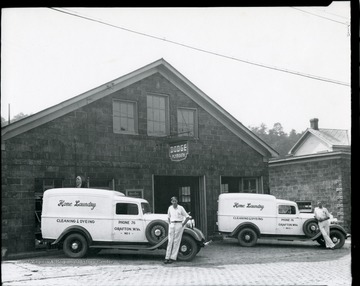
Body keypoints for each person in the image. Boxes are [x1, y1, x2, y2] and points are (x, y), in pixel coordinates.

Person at [164, 196, 191, 264]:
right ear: (171, 202)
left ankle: (172, 258)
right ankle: (167, 257)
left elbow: (187, 217)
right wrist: (170, 223)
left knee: (176, 241)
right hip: (172, 224)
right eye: (173, 201)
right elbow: (168, 217)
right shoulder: (170, 208)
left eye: (175, 201)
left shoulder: (180, 208)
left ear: (177, 201)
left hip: (179, 224)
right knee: (170, 241)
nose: (174, 202)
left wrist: (182, 224)